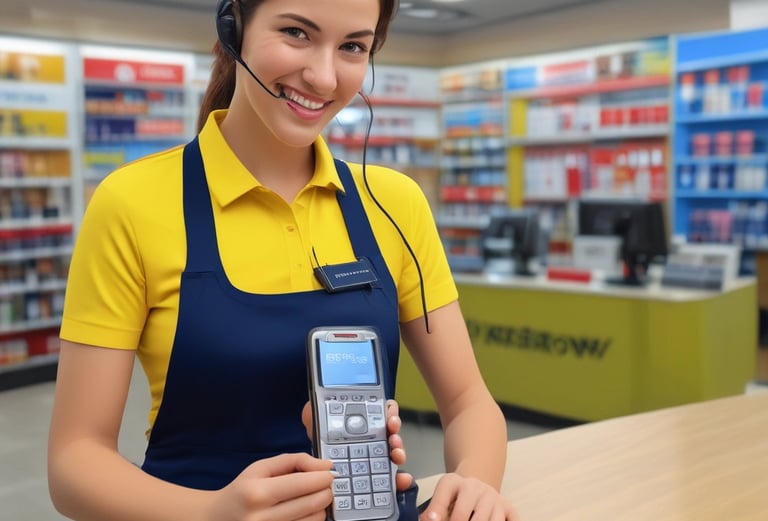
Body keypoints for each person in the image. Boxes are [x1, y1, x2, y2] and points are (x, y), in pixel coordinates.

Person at [47, 0, 518, 520]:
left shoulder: (395, 203)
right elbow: (75, 462)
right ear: (235, 29)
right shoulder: (132, 203)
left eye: (353, 47)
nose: (322, 76)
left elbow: (469, 401)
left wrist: (473, 486)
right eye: (296, 32)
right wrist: (214, 513)